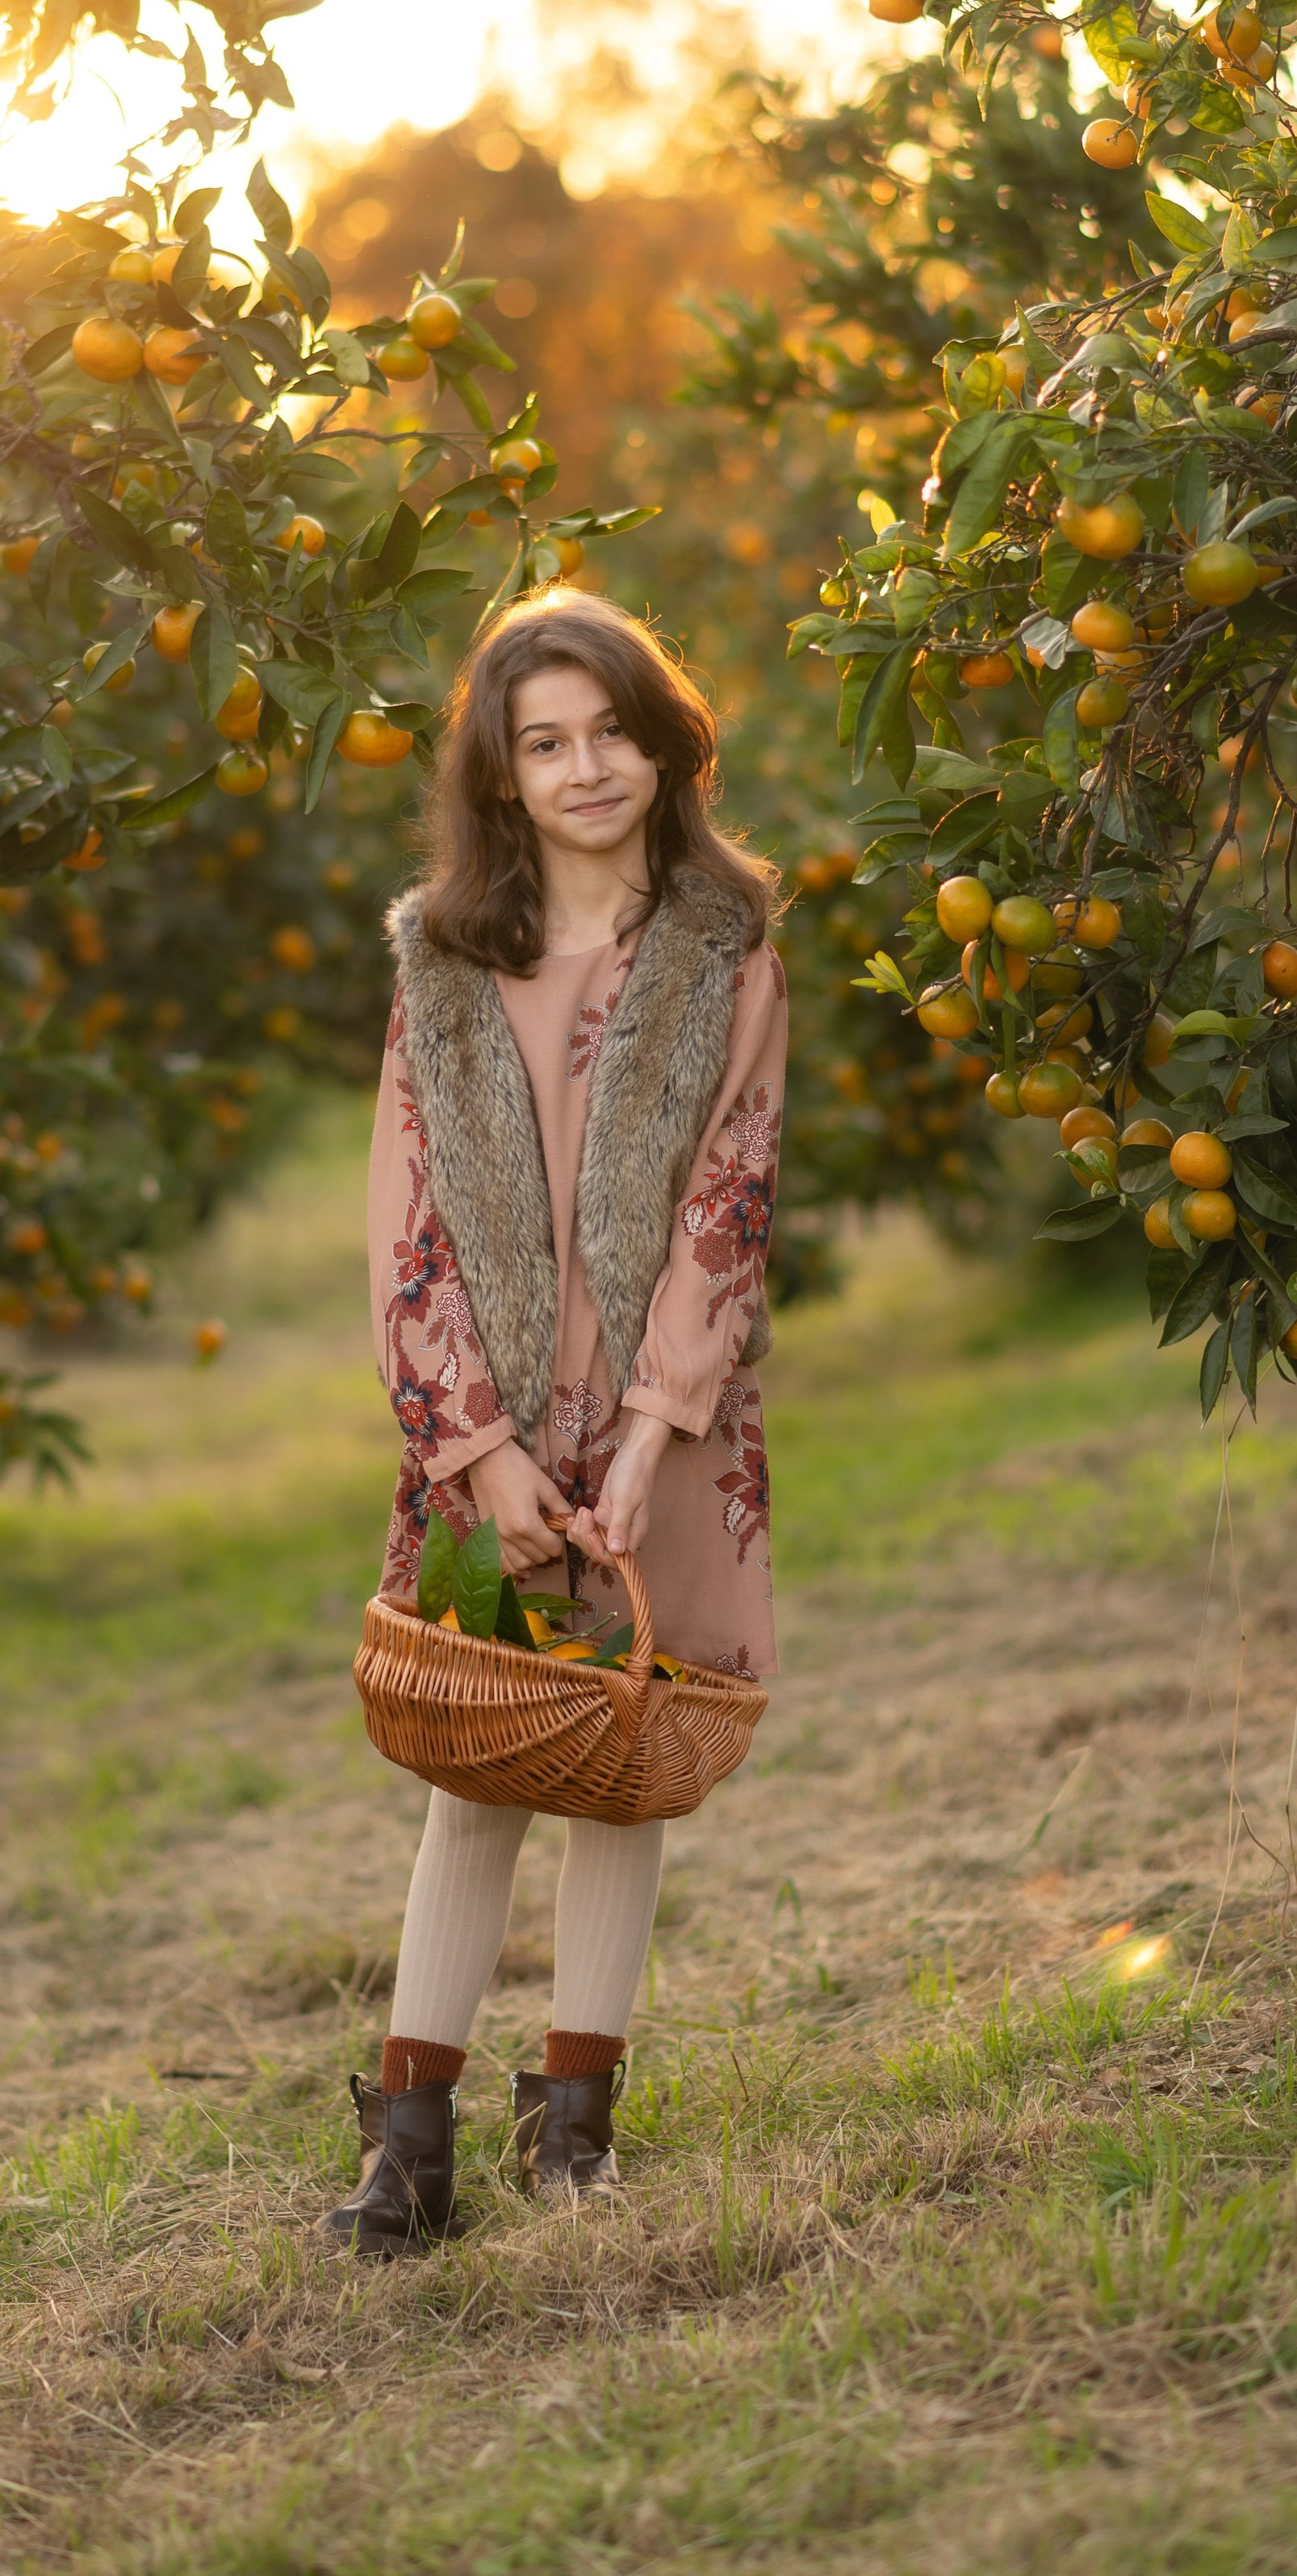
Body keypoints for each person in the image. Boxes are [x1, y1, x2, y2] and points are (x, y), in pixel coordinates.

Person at [325, 586, 786, 2255]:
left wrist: (658, 1426)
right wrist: (481, 1448)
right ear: (500, 776)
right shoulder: (445, 964)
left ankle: (576, 2124)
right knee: (479, 1763)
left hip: (665, 1416)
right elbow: (407, 1217)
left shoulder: (723, 952)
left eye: (609, 730)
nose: (584, 767)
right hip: (489, 1421)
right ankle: (408, 2146)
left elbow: (726, 1202)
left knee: (625, 1758)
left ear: (660, 743)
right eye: (544, 743)